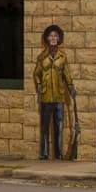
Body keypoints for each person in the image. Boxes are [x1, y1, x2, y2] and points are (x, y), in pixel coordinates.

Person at [33, 24, 76, 160]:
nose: (53, 38)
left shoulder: (63, 57)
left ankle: (59, 153)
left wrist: (71, 87)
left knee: (59, 126)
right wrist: (39, 84)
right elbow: (36, 74)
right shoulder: (42, 57)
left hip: (59, 96)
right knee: (45, 127)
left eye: (55, 36)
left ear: (59, 39)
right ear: (47, 38)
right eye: (51, 36)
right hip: (46, 97)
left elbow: (67, 74)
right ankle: (44, 152)